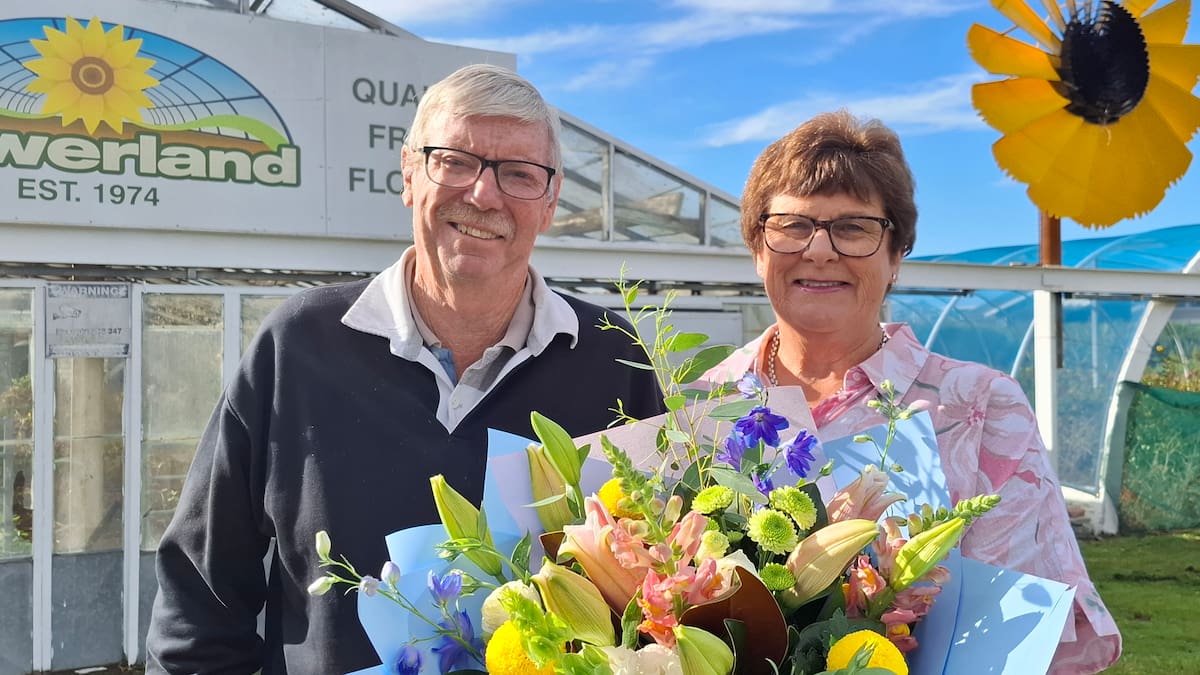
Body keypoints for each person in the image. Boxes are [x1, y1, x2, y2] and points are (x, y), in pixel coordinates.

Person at [145, 64, 663, 674]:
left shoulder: (609, 355)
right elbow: (201, 598)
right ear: (409, 174)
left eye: (519, 175)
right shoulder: (298, 346)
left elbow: (650, 582)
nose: (483, 195)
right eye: (456, 160)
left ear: (549, 204)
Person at [702, 110, 1120, 673]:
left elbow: (1018, 630)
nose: (819, 250)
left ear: (896, 256)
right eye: (793, 225)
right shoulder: (707, 400)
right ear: (758, 248)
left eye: (854, 227)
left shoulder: (977, 407)